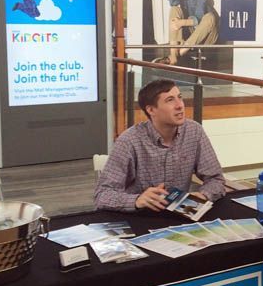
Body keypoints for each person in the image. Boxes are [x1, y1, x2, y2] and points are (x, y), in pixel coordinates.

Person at [94, 78, 225, 211]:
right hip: (140, 215)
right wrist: (136, 200)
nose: (179, 105)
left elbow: (215, 179)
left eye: (179, 97)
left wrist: (203, 195)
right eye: (170, 100)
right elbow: (102, 195)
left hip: (177, 216)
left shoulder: (194, 131)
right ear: (151, 110)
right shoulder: (129, 141)